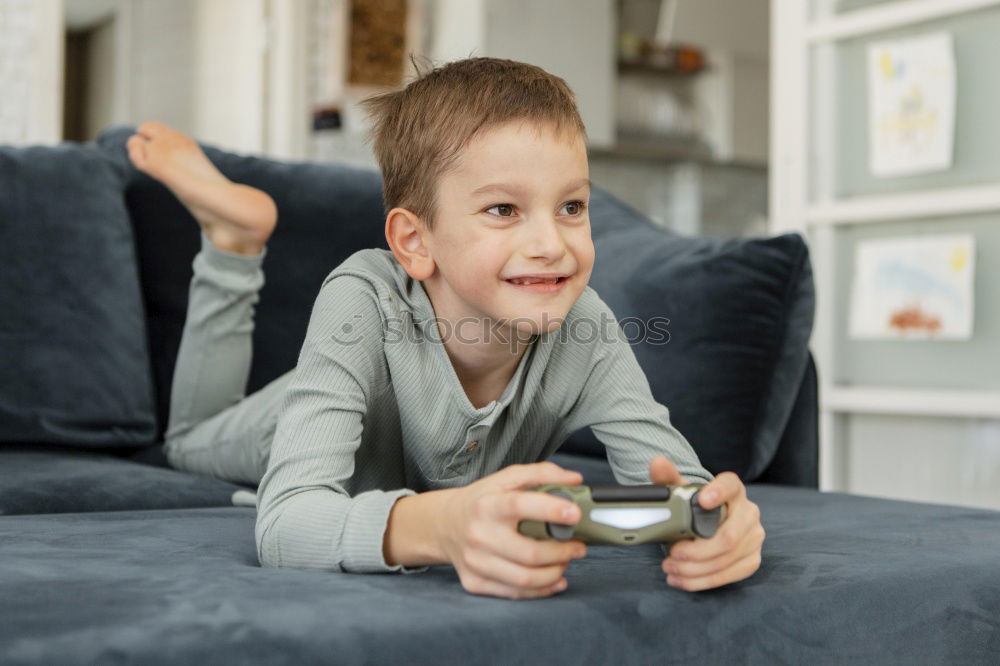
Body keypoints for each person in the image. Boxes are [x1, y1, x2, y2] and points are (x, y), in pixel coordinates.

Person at [125, 56, 764, 601]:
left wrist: (718, 523)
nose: (550, 243)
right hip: (298, 414)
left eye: (571, 206)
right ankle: (234, 244)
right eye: (503, 209)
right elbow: (287, 522)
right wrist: (443, 526)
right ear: (415, 240)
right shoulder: (362, 297)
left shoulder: (583, 326)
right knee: (185, 443)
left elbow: (677, 480)